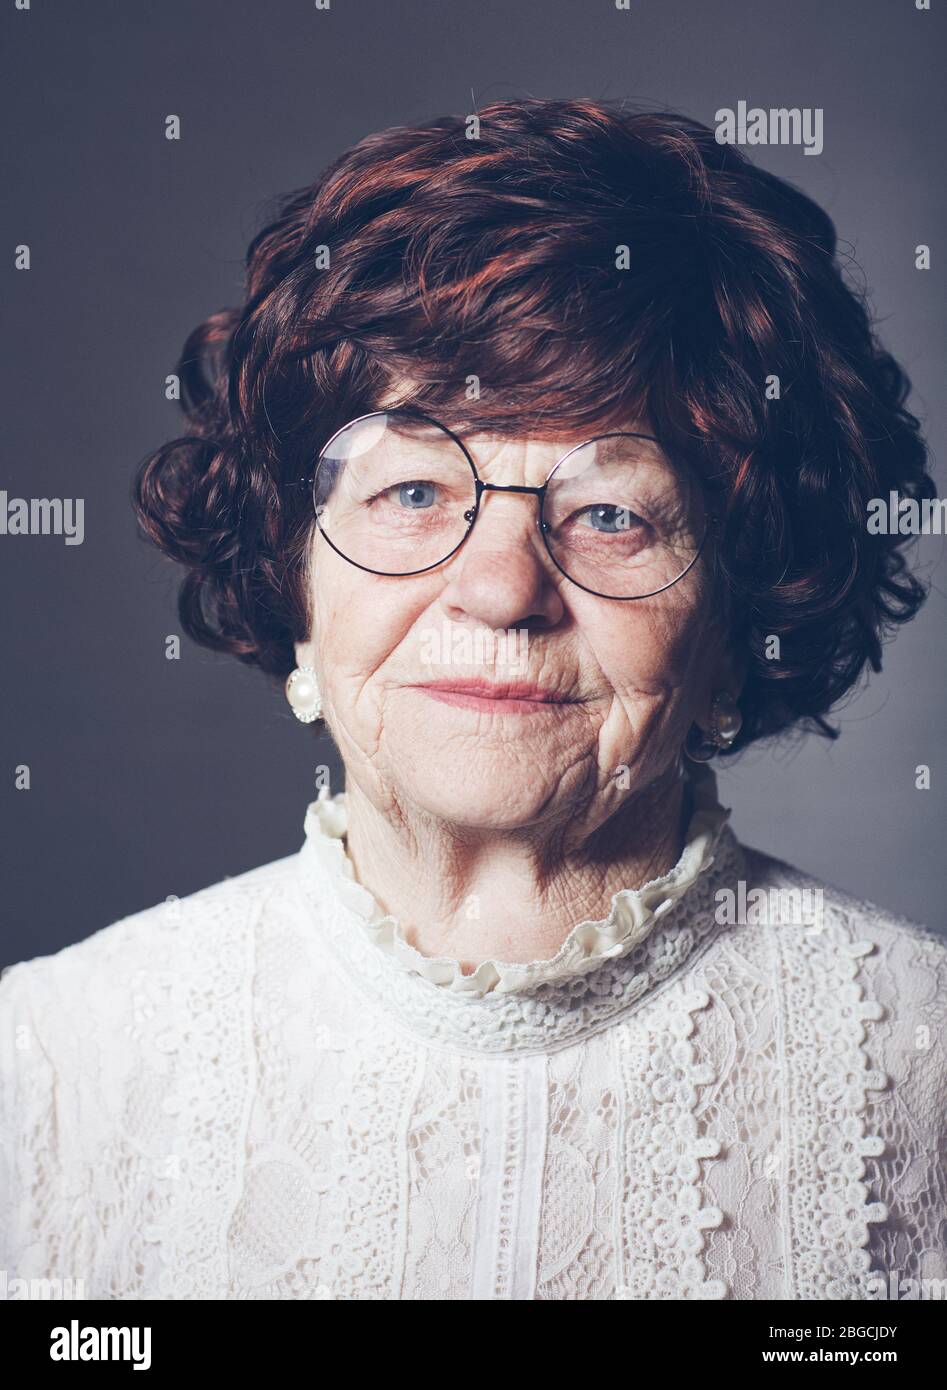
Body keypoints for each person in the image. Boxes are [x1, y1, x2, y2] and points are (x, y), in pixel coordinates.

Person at [1, 98, 944, 1301]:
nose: (499, 591)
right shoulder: (46, 1064)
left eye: (610, 513)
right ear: (294, 576)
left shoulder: (926, 1068)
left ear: (729, 628)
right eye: (411, 493)